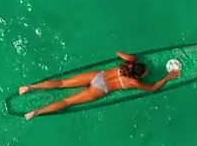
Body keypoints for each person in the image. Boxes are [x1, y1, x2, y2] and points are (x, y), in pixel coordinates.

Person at [16, 51, 179, 119]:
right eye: (145, 73)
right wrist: (168, 77)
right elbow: (152, 88)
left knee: (62, 83)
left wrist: (132, 59)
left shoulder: (127, 64)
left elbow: (118, 53)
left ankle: (29, 87)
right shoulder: (134, 82)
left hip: (98, 75)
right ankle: (36, 112)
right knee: (67, 102)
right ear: (139, 75)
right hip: (101, 89)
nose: (147, 73)